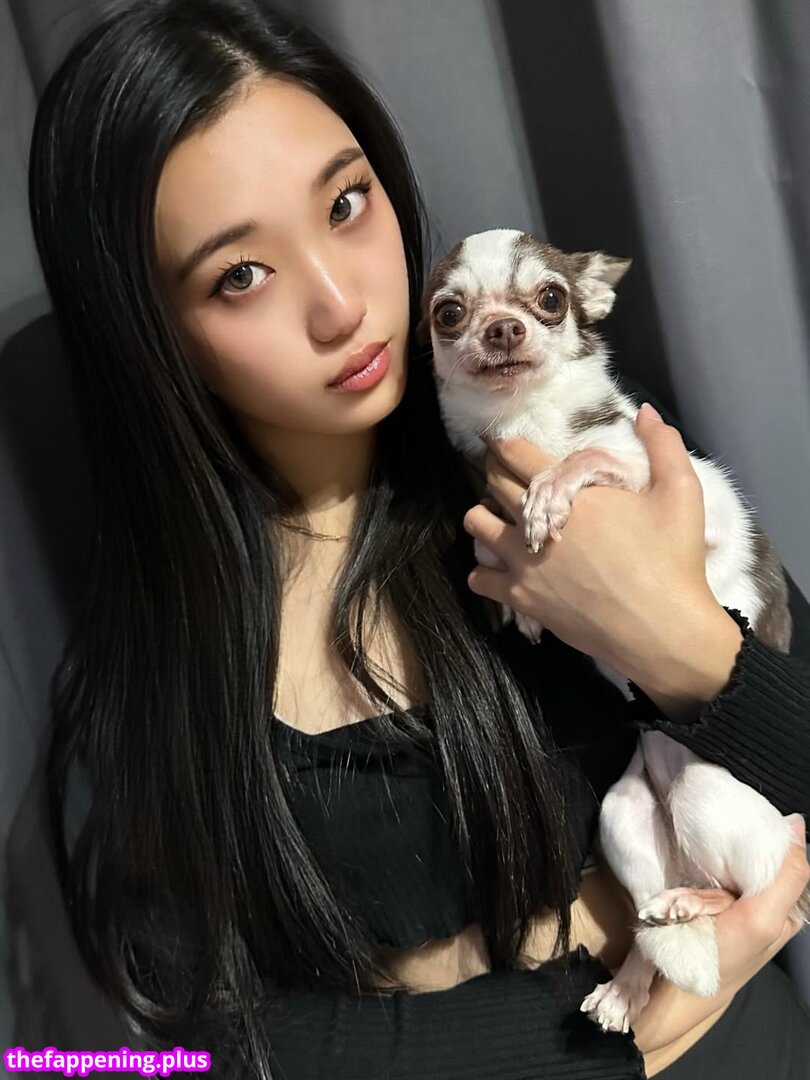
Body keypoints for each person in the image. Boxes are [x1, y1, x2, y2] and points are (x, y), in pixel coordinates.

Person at [27, 1, 810, 1077]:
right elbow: (210, 1051)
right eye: (240, 275)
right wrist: (604, 1034)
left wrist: (680, 645)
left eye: (346, 203)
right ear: (148, 334)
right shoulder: (166, 660)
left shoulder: (564, 451)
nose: (342, 305)